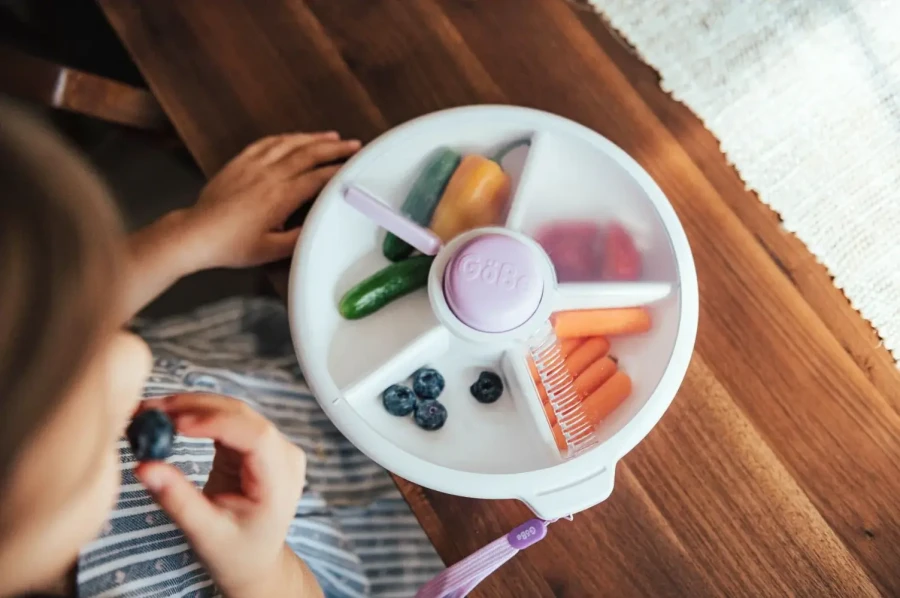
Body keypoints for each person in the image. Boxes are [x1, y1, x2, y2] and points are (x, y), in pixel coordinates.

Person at [0, 102, 442, 598]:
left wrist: (186, 236)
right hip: (397, 540)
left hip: (289, 384)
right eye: (94, 405)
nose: (134, 357)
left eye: (93, 338)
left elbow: (51, 311)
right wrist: (259, 572)